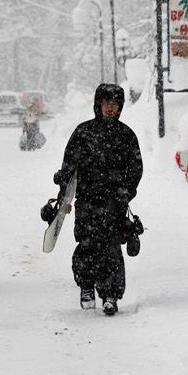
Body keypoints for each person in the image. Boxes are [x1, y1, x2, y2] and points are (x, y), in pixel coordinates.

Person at [54, 82, 143, 316]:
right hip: (87, 200)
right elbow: (69, 165)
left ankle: (111, 294)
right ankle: (86, 286)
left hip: (115, 202)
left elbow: (135, 168)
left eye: (115, 104)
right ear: (98, 105)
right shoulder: (83, 133)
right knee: (87, 243)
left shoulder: (126, 136)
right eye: (106, 103)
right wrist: (63, 191)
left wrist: (127, 190)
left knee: (112, 248)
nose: (110, 108)